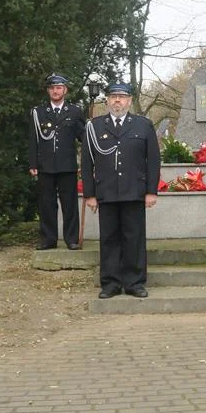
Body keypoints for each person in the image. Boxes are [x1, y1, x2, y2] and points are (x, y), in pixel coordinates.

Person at [81, 82, 160, 299]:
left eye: (122, 97)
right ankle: (110, 284)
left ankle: (134, 283)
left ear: (130, 101)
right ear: (107, 100)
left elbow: (153, 160)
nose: (117, 100)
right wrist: (89, 194)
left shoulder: (143, 126)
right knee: (108, 239)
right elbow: (87, 163)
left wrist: (151, 191)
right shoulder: (94, 126)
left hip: (134, 191)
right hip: (106, 192)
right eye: (113, 96)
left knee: (134, 238)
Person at [28, 73, 86, 250]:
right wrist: (33, 163)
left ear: (65, 90)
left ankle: (72, 239)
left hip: (67, 166)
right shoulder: (38, 113)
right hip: (45, 166)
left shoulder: (75, 111)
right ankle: (48, 239)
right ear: (48, 91)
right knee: (46, 204)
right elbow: (33, 139)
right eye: (52, 88)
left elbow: (83, 136)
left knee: (69, 204)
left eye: (59, 87)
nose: (55, 91)